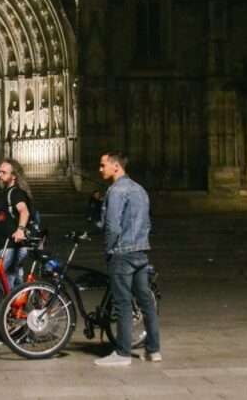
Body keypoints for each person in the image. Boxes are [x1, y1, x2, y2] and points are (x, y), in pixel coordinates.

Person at [93, 150, 161, 367]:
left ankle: (122, 353)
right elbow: (148, 222)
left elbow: (112, 226)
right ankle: (154, 350)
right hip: (141, 251)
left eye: (103, 165)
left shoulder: (115, 191)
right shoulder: (140, 190)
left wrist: (108, 249)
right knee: (146, 301)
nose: (100, 169)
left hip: (122, 253)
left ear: (116, 166)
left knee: (122, 303)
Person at [0, 158, 34, 289]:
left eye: (3, 172)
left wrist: (20, 229)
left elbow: (24, 211)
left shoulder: (15, 192)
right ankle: (18, 309)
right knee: (15, 287)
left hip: (11, 248)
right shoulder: (7, 193)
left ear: (13, 176)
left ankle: (7, 309)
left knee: (4, 288)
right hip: (8, 247)